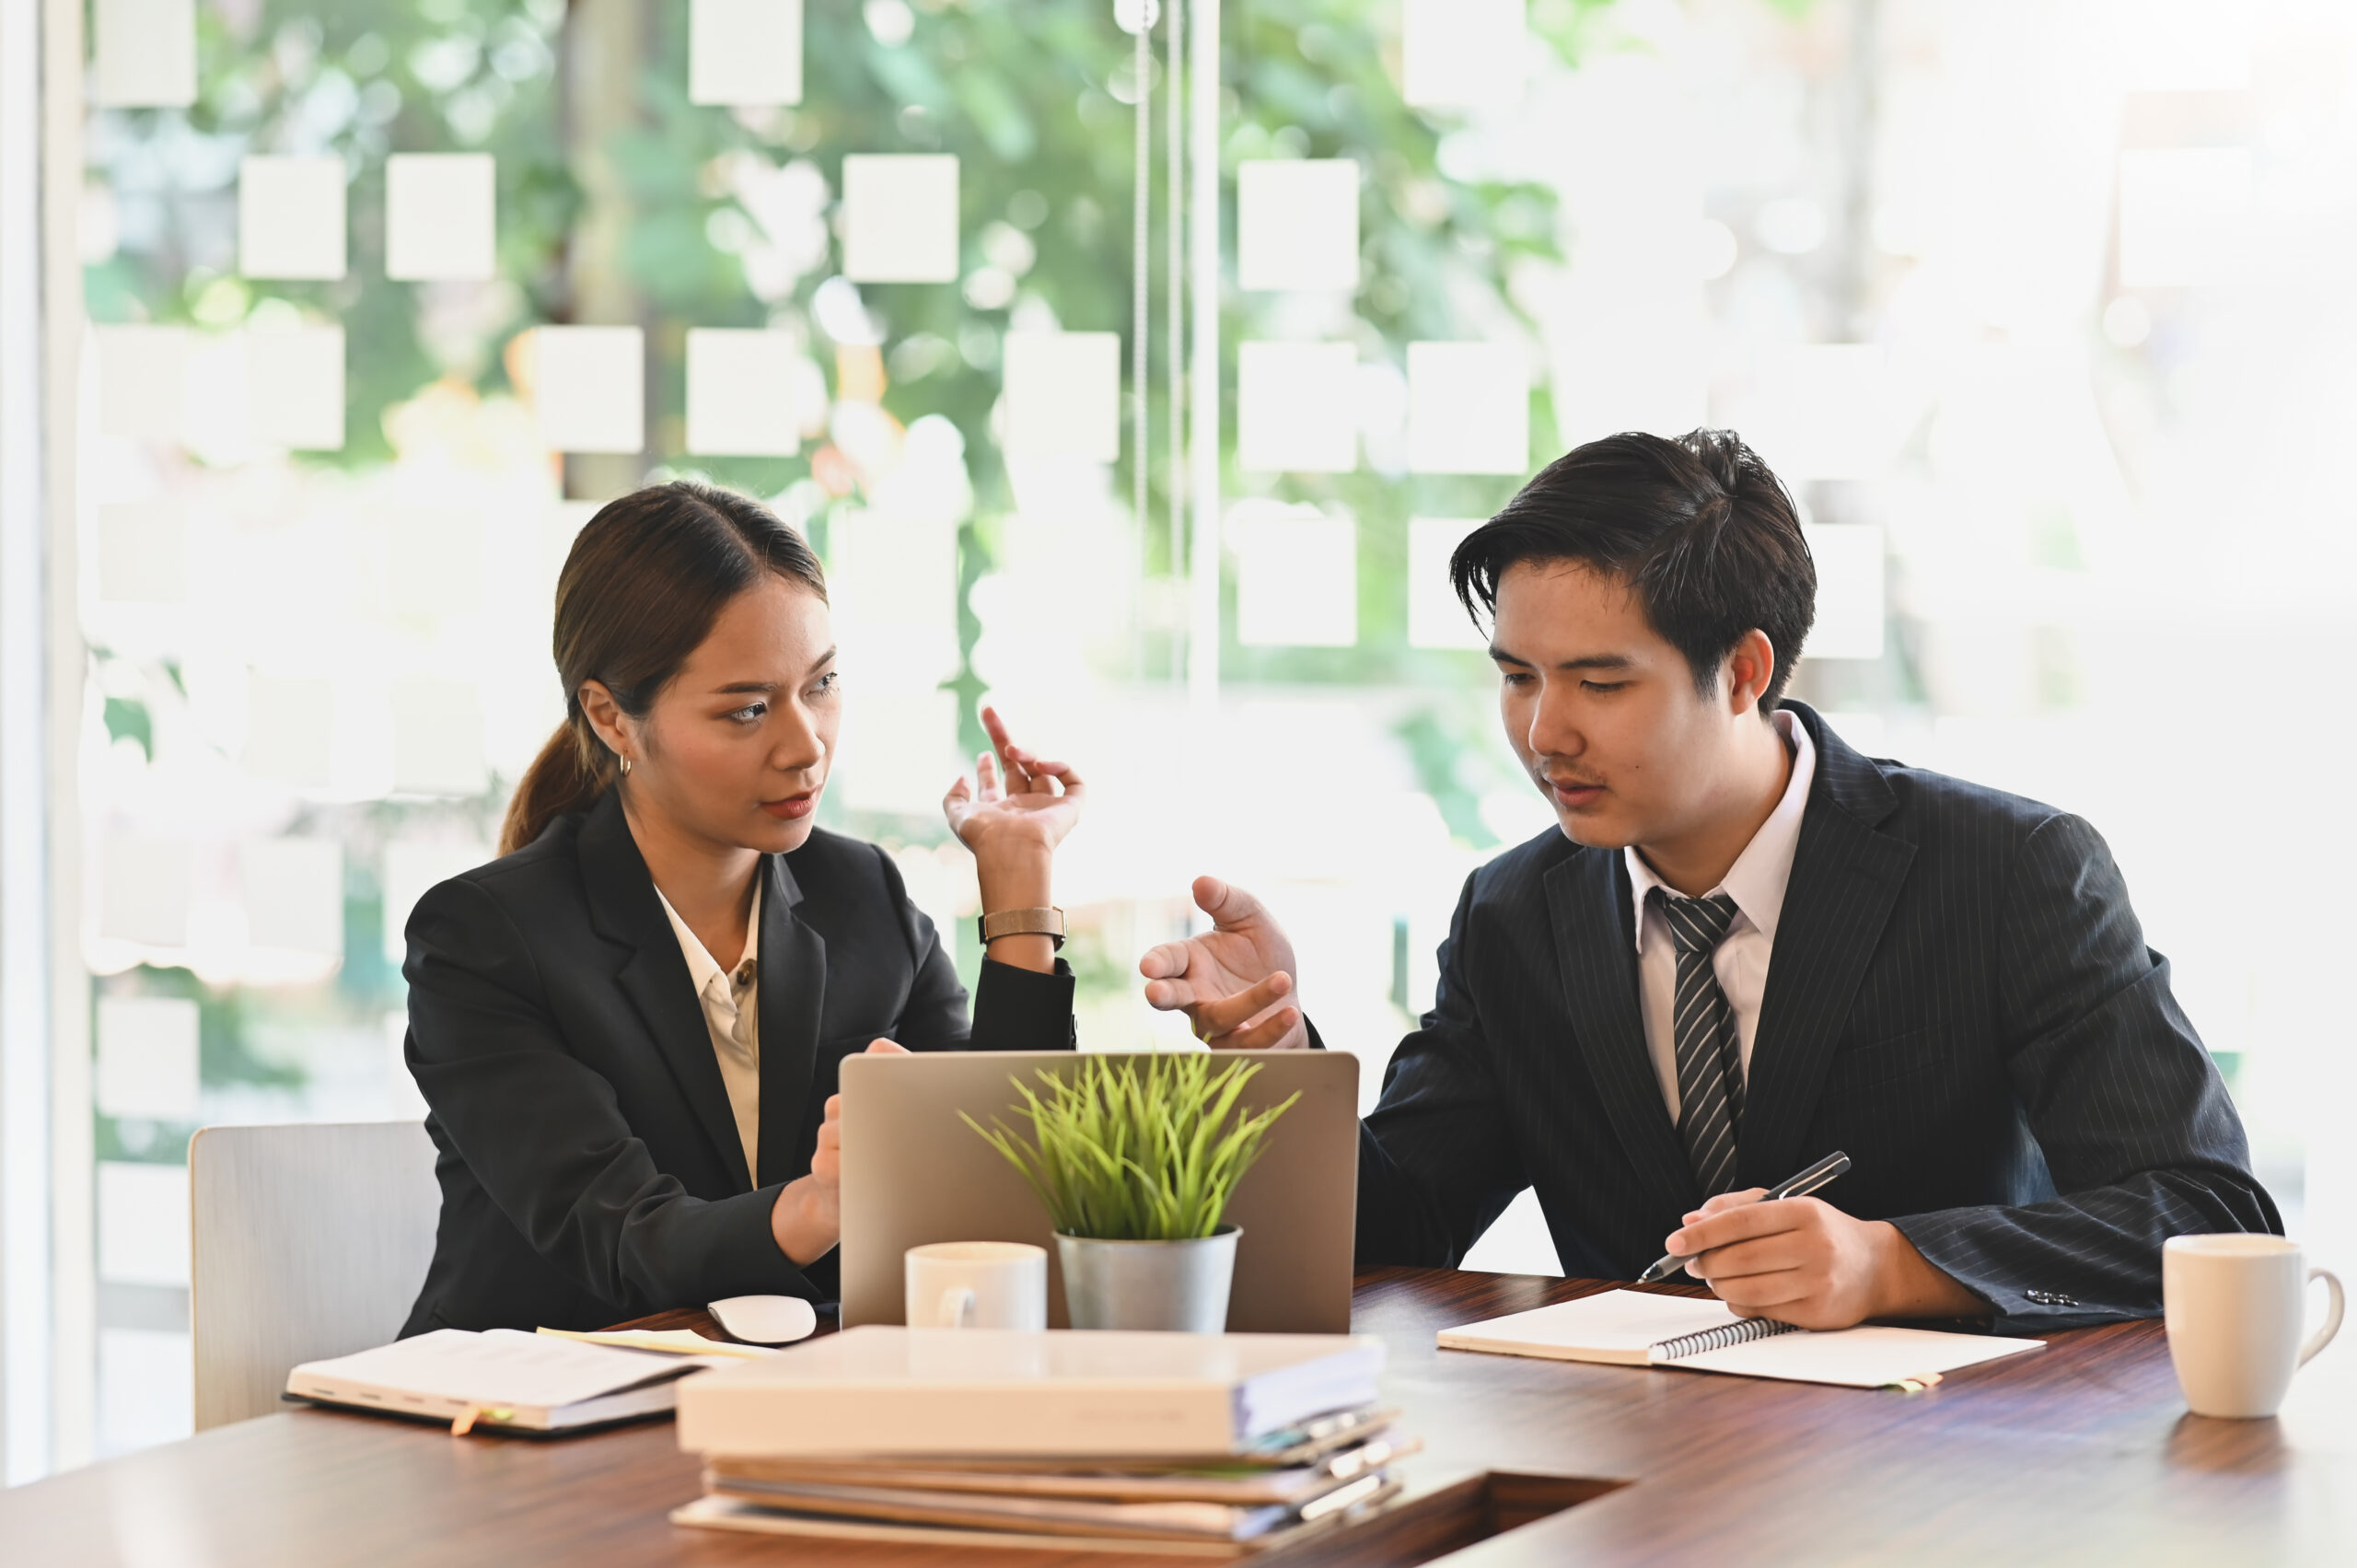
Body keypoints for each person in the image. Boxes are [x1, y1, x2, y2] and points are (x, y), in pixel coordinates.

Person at [1140, 430, 2277, 1332]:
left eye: (1599, 682)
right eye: (1517, 677)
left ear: (1743, 670)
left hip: (1940, 1477)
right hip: (1635, 1470)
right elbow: (1401, 1230)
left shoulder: (2006, 871)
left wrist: (1894, 1263)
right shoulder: (1514, 914)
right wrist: (1275, 1055)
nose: (1542, 732)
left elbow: (2206, 1211)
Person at [400, 482, 1082, 1334]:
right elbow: (622, 1237)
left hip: (791, 1402)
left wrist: (1021, 886)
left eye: (822, 684)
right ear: (611, 716)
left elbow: (1006, 1197)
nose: (806, 745)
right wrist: (821, 1204)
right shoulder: (483, 939)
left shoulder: (862, 899)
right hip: (522, 1422)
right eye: (749, 709)